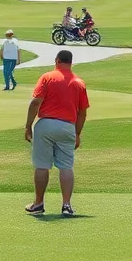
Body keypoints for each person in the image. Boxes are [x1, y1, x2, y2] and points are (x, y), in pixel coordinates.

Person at [24, 50, 89, 217]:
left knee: (42, 165)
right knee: (66, 166)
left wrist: (28, 125)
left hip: (45, 124)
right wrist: (77, 134)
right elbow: (82, 113)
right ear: (71, 62)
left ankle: (38, 203)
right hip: (68, 126)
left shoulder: (47, 77)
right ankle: (66, 205)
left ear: (57, 60)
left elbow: (35, 103)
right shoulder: (79, 82)